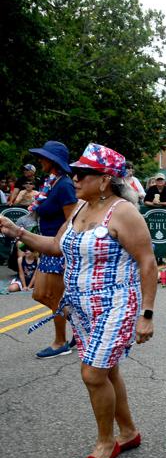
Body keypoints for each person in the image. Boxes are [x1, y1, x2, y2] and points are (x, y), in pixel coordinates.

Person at [0, 143, 157, 458]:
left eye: (82, 173)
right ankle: (128, 432)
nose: (74, 177)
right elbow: (56, 246)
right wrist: (18, 232)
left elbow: (147, 263)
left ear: (105, 179)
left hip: (116, 305)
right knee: (108, 370)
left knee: (93, 373)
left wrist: (147, 314)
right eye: (74, 171)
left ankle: (106, 443)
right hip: (81, 307)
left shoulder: (123, 212)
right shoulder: (80, 209)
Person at [29, 141, 78, 358]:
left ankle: (60, 343)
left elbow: (72, 221)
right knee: (39, 294)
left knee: (54, 297)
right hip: (46, 247)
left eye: (43, 157)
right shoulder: (51, 182)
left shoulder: (65, 185)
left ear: (53, 161)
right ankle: (79, 323)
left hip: (57, 248)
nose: (40, 160)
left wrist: (64, 250)